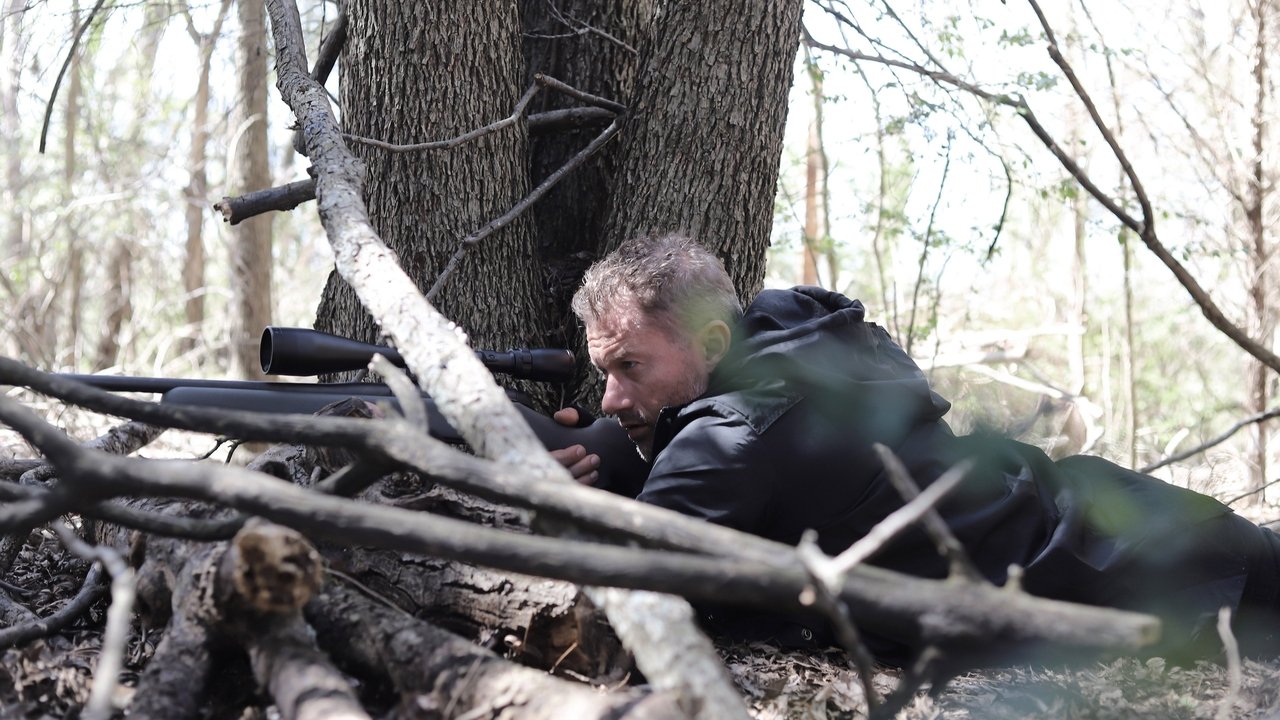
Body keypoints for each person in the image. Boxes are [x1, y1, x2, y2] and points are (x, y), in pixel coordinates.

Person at [551, 232, 1280, 662]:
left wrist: (553, 500)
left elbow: (619, 615)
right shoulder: (811, 335)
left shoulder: (729, 441)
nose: (613, 400)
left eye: (631, 367)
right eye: (605, 372)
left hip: (1146, 581)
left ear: (712, 342)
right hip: (1122, 516)